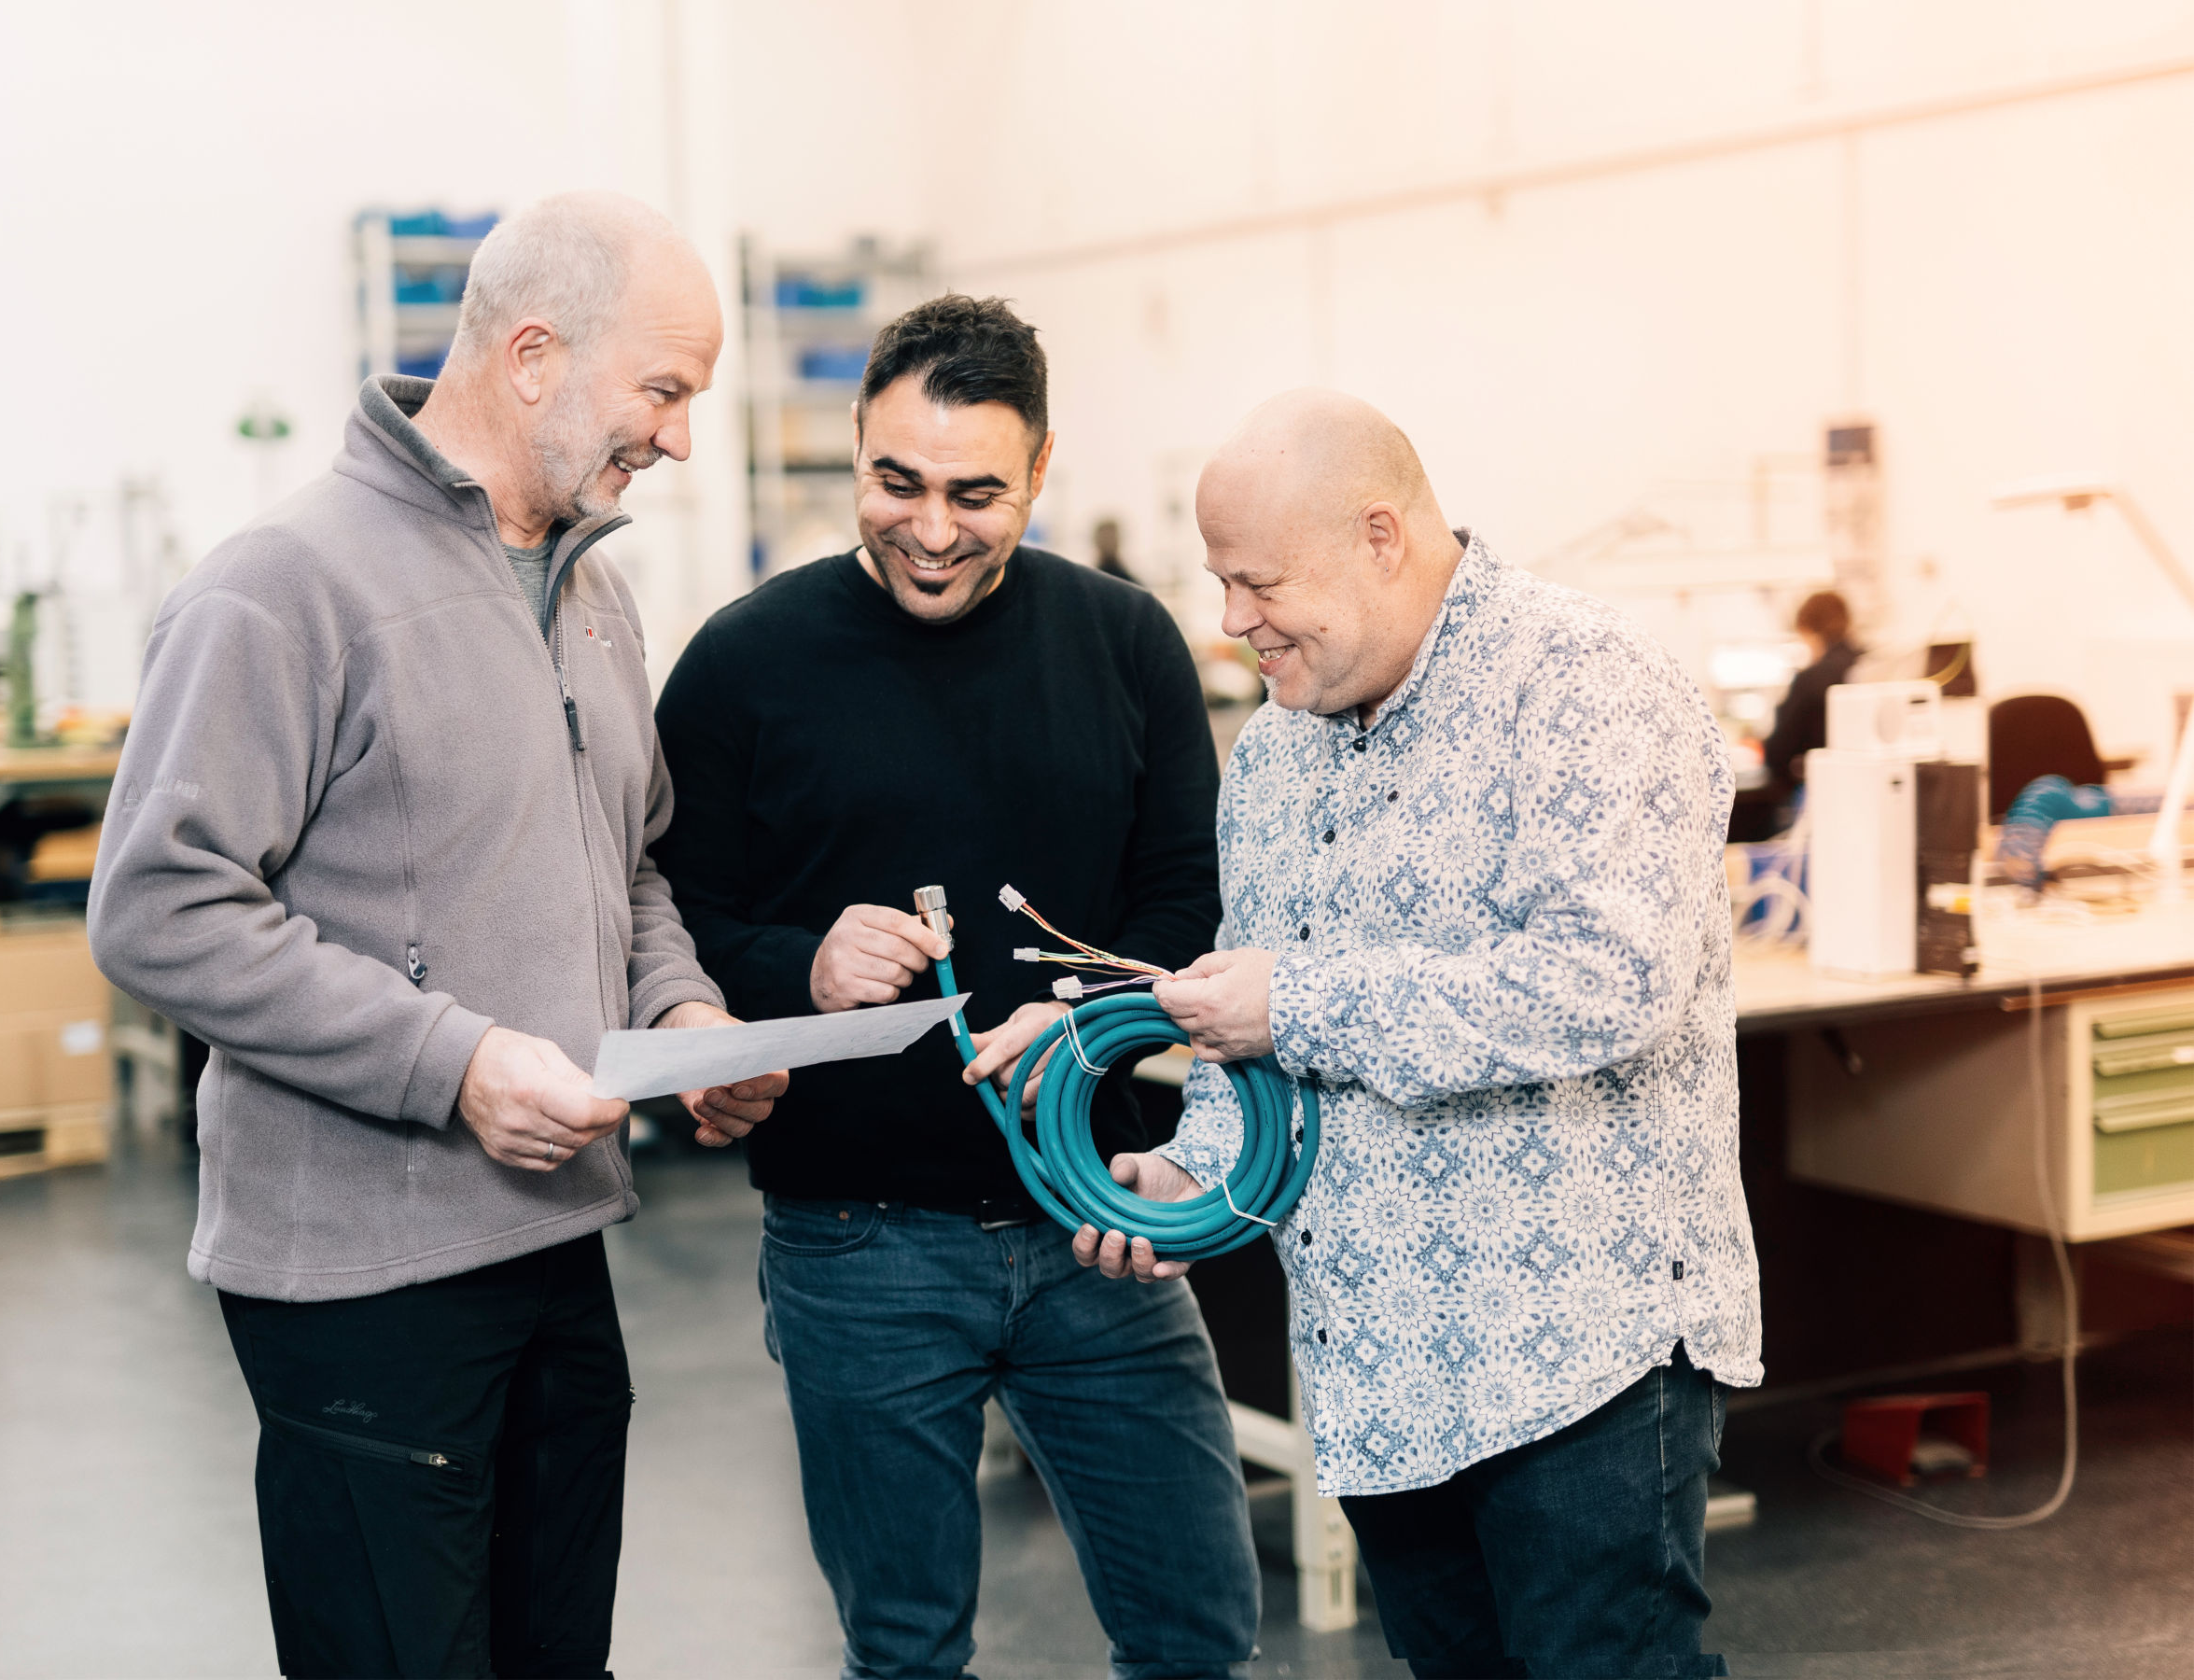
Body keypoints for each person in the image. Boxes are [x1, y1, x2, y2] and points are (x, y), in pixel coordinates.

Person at [88, 191, 786, 1680]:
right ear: (535, 355)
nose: (676, 436)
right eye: (662, 391)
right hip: (359, 1284)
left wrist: (680, 1018)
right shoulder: (280, 589)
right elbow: (159, 908)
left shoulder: (595, 595)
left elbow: (635, 866)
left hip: (557, 1240)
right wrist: (454, 1063)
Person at [1079, 389, 1761, 1679]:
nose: (1231, 622)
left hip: (1579, 1354)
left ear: (1381, 536)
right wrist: (1195, 1163)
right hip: (1381, 1364)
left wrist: (1298, 999)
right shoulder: (1276, 754)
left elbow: (1606, 979)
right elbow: (1252, 1024)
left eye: (1259, 582)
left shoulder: (1586, 686)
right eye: (1219, 583)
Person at [652, 295, 1259, 1680]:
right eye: (896, 482)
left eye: (977, 492)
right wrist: (794, 964)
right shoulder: (745, 665)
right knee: (907, 1653)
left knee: (1199, 1634)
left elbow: (1186, 898)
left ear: (1042, 472)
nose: (932, 528)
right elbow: (669, 920)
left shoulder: (1126, 645)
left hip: (1099, 1220)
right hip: (856, 1246)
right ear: (856, 453)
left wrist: (1097, 1011)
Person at [1758, 588, 1860, 797]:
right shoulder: (1868, 665)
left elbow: (1778, 750)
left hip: (1824, 789)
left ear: (1807, 630)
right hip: (1864, 785)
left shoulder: (1811, 679)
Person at [1093, 513, 1139, 581]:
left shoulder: (1130, 582)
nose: (1108, 543)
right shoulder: (1090, 581)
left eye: (1111, 538)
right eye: (1105, 538)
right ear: (1097, 541)